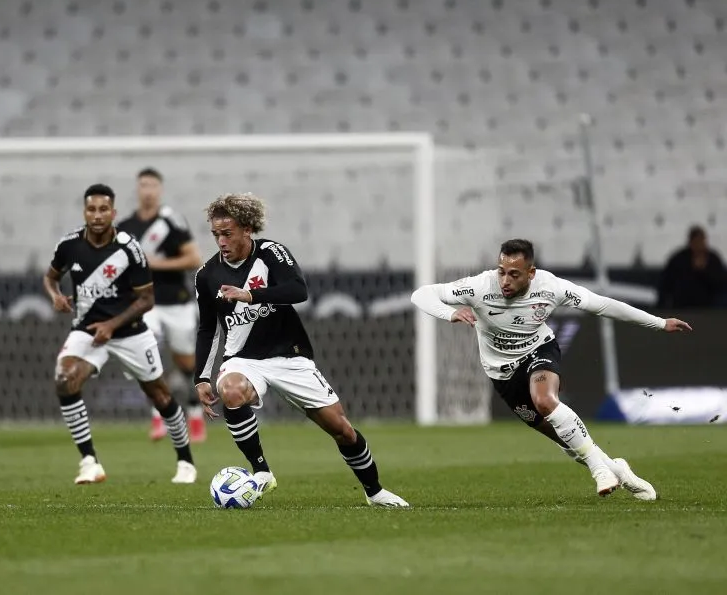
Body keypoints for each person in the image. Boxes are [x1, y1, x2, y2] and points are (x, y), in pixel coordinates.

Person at [411, 238, 692, 499]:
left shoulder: (551, 287)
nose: (505, 280)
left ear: (531, 273)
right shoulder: (480, 286)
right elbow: (422, 294)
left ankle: (599, 470)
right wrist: (450, 313)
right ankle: (616, 468)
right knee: (565, 439)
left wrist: (658, 322)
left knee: (545, 400)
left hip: (539, 351)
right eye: (501, 271)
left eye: (514, 274)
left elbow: (602, 305)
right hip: (502, 374)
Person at [194, 192, 408, 507]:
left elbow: (298, 291)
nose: (221, 241)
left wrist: (250, 295)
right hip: (243, 360)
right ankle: (262, 471)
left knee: (342, 429)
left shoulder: (271, 253)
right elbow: (207, 329)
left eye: (227, 233)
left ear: (247, 229)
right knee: (231, 390)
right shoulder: (207, 275)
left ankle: (375, 492)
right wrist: (201, 377)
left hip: (289, 356)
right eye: (216, 235)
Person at [45, 183, 197, 485]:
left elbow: (146, 300)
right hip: (87, 331)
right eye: (92, 209)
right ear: (85, 212)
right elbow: (50, 277)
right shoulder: (69, 245)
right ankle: (89, 462)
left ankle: (186, 461)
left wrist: (112, 326)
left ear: (113, 213)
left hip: (129, 334)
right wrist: (55, 295)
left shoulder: (129, 248)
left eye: (104, 209)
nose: (97, 215)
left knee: (160, 396)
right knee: (65, 380)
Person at [117, 168, 205, 442]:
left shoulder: (171, 222)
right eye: (143, 185)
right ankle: (160, 417)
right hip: (147, 303)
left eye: (153, 185)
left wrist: (155, 264)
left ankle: (195, 416)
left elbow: (194, 259)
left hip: (176, 302)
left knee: (187, 364)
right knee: (148, 349)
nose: (148, 190)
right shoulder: (125, 227)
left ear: (160, 189)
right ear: (137, 188)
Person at [657, 225, 727, 309]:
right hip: (682, 307)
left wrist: (703, 271)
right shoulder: (679, 259)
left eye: (701, 241)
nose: (699, 245)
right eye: (696, 241)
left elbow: (720, 283)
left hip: (708, 308)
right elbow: (666, 283)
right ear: (690, 242)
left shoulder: (713, 259)